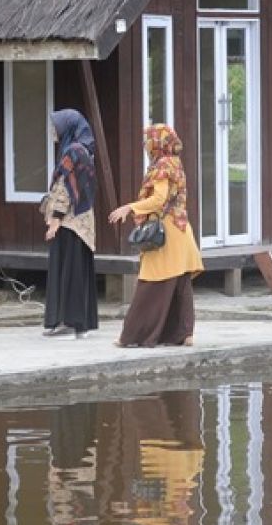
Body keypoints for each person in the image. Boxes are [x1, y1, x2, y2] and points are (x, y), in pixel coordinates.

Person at [108, 125, 204, 347]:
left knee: (149, 286)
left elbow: (159, 199)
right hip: (182, 232)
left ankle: (132, 336)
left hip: (166, 234)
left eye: (147, 140)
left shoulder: (161, 166)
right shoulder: (175, 163)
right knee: (180, 284)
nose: (145, 145)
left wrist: (129, 208)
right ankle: (183, 334)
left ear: (157, 142)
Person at [41, 109, 99, 339]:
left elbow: (66, 188)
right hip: (80, 223)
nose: (52, 131)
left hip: (70, 223)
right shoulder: (82, 150)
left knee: (68, 271)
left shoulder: (73, 152)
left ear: (67, 127)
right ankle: (74, 323)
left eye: (55, 126)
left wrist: (55, 219)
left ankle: (72, 323)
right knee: (73, 271)